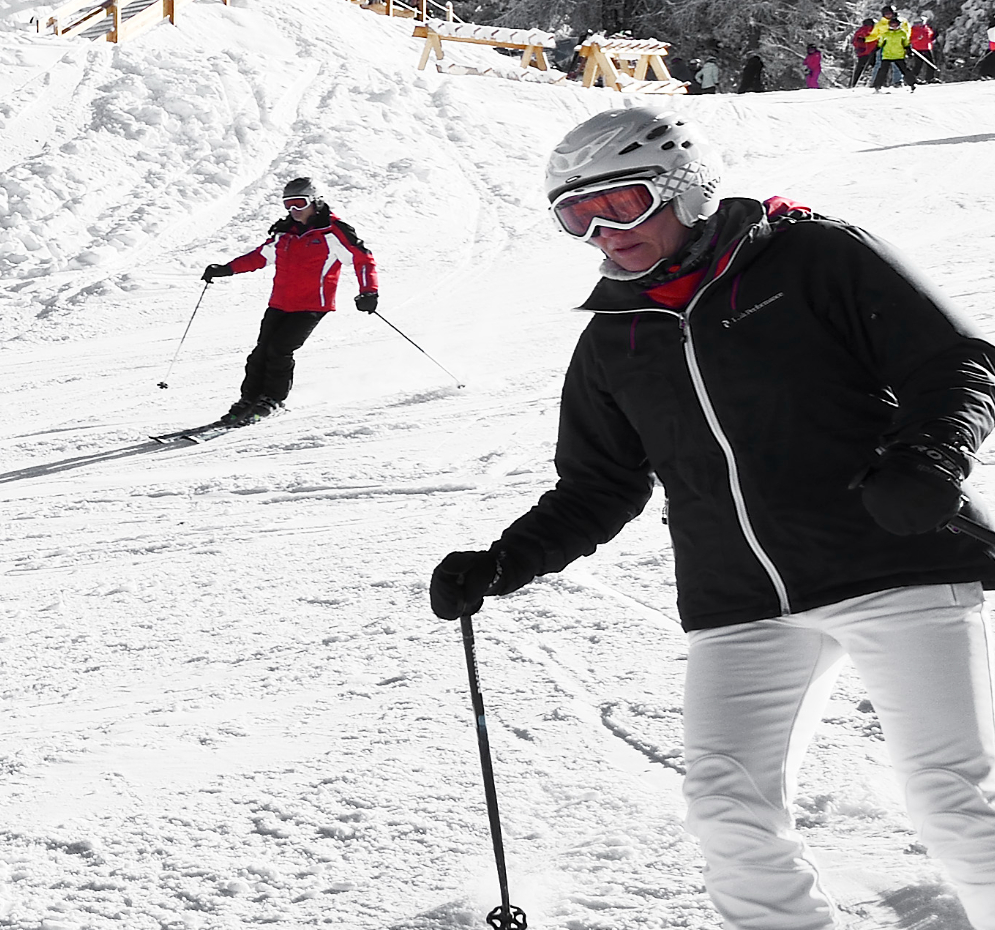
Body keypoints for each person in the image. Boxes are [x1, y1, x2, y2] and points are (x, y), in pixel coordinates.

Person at [427, 107, 995, 930]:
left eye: (619, 205)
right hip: (741, 603)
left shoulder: (812, 257)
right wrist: (504, 562)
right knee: (728, 810)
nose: (601, 235)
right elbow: (598, 486)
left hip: (892, 562)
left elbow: (955, 362)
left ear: (686, 186)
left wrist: (931, 459)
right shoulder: (615, 339)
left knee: (951, 798)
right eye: (575, 217)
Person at [200, 176, 379, 428]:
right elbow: (259, 257)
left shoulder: (333, 231)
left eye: (299, 203)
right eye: (288, 204)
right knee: (260, 352)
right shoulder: (283, 232)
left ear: (315, 201)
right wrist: (226, 269)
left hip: (312, 305)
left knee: (280, 350)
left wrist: (369, 291)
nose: (293, 210)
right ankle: (249, 399)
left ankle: (273, 400)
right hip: (280, 302)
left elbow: (363, 259)